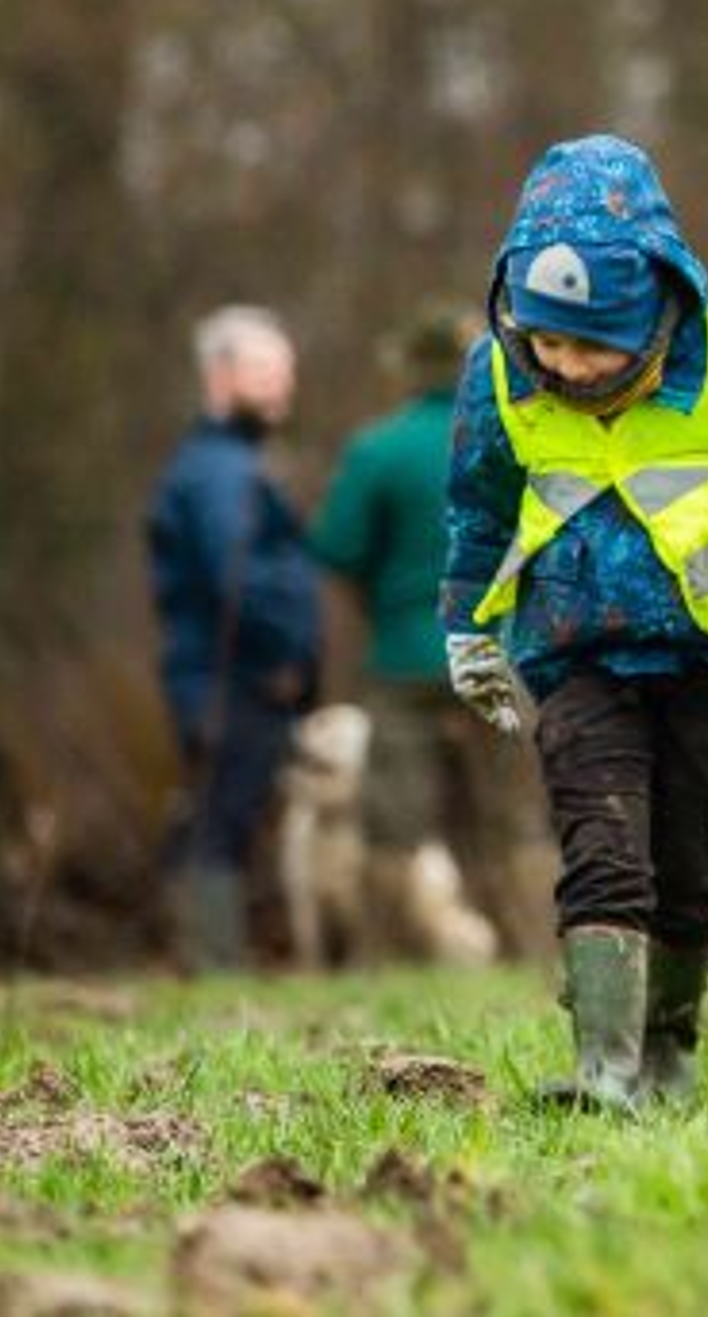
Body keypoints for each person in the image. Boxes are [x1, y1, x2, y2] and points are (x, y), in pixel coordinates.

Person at [439, 134, 708, 1111]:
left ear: (657, 309)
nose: (568, 366)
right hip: (576, 653)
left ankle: (668, 1049)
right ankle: (604, 1068)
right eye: (547, 340)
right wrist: (468, 626)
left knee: (692, 865)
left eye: (593, 345)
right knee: (602, 846)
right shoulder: (498, 375)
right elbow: (477, 507)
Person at [312, 302, 552, 955]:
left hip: (404, 656)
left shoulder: (377, 448)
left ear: (410, 369)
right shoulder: (517, 438)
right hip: (501, 653)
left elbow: (336, 545)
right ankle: (536, 953)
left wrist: (381, 594)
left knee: (394, 825)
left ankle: (387, 960)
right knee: (512, 820)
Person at [147, 306, 325, 972]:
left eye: (286, 370)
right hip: (230, 678)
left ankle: (211, 958)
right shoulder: (220, 472)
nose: (281, 384)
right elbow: (237, 573)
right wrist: (283, 655)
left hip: (229, 675)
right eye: (263, 369)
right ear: (219, 377)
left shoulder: (226, 462)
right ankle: (213, 965)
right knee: (221, 819)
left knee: (223, 814)